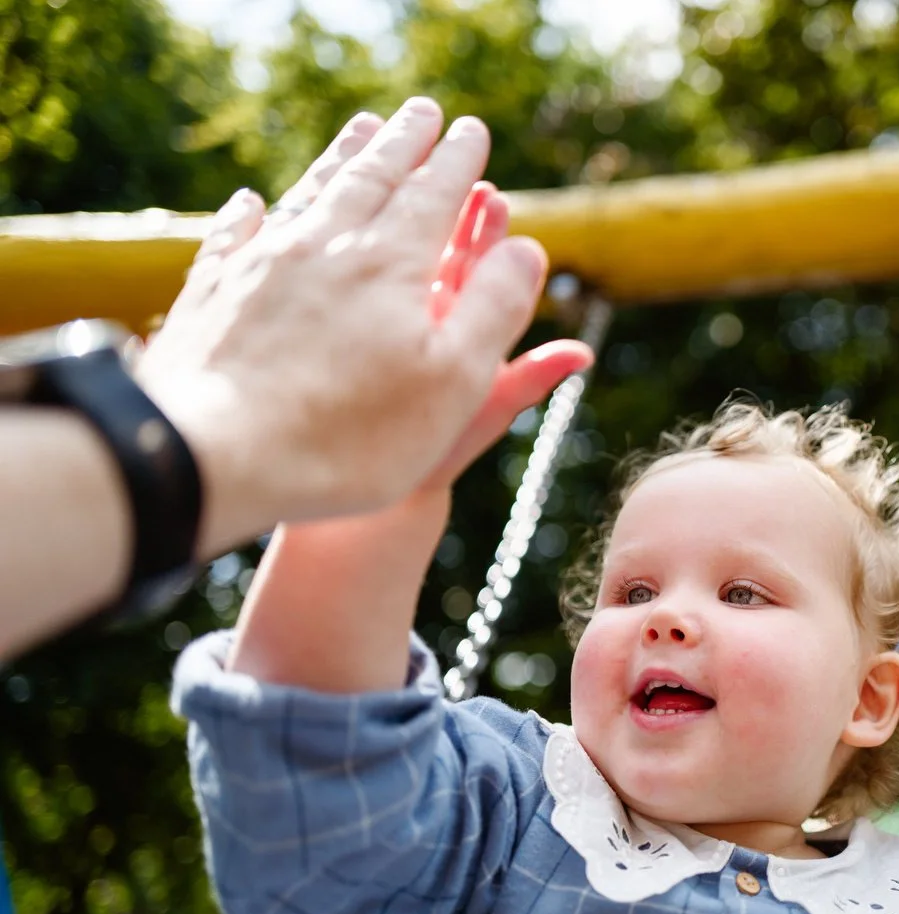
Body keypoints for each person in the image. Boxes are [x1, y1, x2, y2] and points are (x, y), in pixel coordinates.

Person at [171, 398, 899, 914]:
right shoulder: (521, 814)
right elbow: (323, 852)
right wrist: (362, 524)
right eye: (633, 593)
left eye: (743, 593)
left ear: (868, 700)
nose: (666, 618)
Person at [0, 97, 592, 657]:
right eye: (633, 590)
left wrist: (214, 414)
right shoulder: (507, 763)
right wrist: (384, 491)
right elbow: (307, 737)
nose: (673, 621)